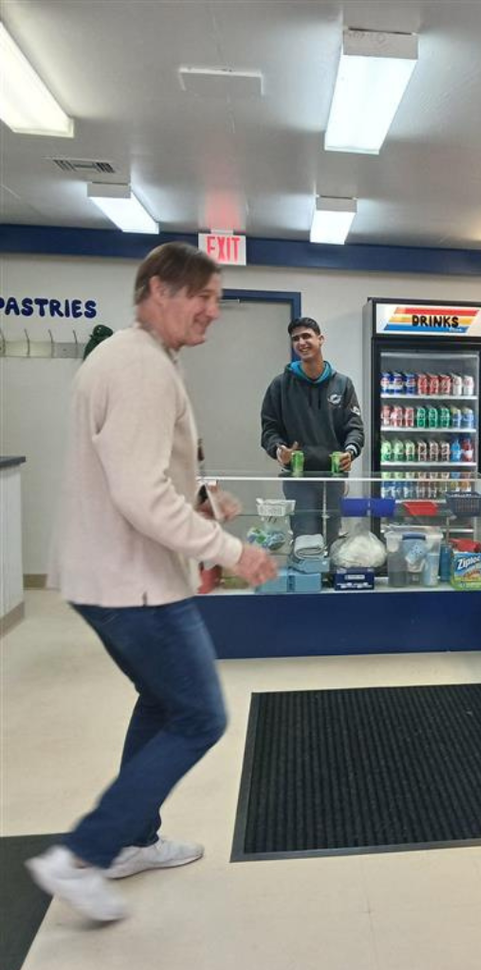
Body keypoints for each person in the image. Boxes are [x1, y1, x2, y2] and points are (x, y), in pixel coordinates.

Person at [29, 242, 277, 923]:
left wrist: (201, 500)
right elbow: (139, 493)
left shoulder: (132, 359)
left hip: (107, 573)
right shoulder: (140, 368)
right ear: (159, 290)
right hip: (130, 580)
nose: (212, 313)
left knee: (163, 702)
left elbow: (137, 475)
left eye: (218, 300)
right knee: (200, 715)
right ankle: (84, 856)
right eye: (204, 297)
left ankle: (132, 840)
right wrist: (229, 549)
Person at [260, 317, 365, 543]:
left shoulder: (343, 384)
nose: (301, 342)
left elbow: (354, 427)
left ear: (320, 339)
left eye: (306, 336)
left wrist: (350, 451)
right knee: (305, 540)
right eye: (295, 339)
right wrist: (280, 451)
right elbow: (269, 429)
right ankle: (306, 578)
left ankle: (328, 578)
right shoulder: (280, 385)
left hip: (334, 477)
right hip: (298, 478)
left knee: (332, 539)